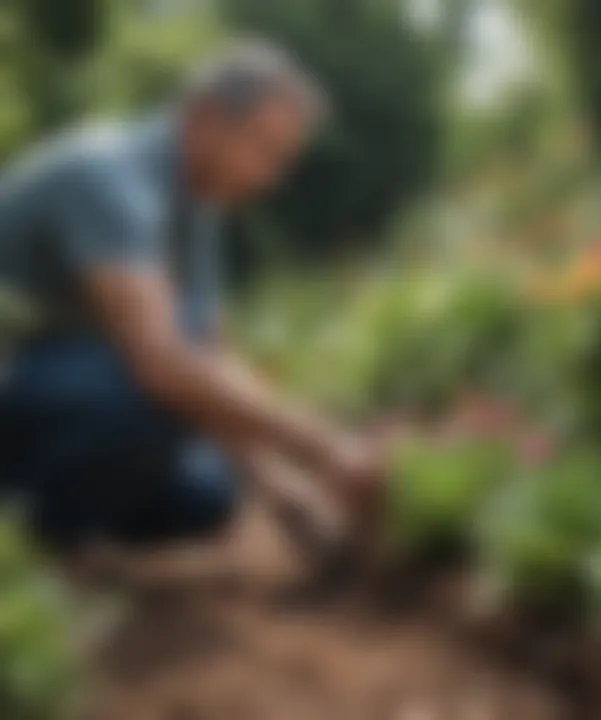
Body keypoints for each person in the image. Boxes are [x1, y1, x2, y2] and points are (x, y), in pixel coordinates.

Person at [0, 39, 384, 579]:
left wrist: (284, 492)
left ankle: (48, 517)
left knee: (207, 496)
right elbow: (163, 365)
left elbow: (211, 354)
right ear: (205, 118)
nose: (272, 178)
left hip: (43, 386)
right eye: (265, 150)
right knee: (149, 395)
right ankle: (41, 551)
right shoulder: (108, 177)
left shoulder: (199, 203)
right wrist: (327, 449)